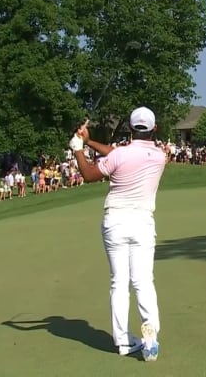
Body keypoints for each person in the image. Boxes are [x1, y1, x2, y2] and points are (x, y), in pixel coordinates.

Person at [71, 107, 167, 361]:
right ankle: (150, 336)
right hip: (142, 222)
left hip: (115, 221)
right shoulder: (159, 156)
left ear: (130, 128)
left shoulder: (120, 155)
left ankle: (123, 341)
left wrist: (78, 148)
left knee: (119, 282)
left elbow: (90, 175)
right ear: (154, 129)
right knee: (143, 280)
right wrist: (90, 140)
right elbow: (118, 155)